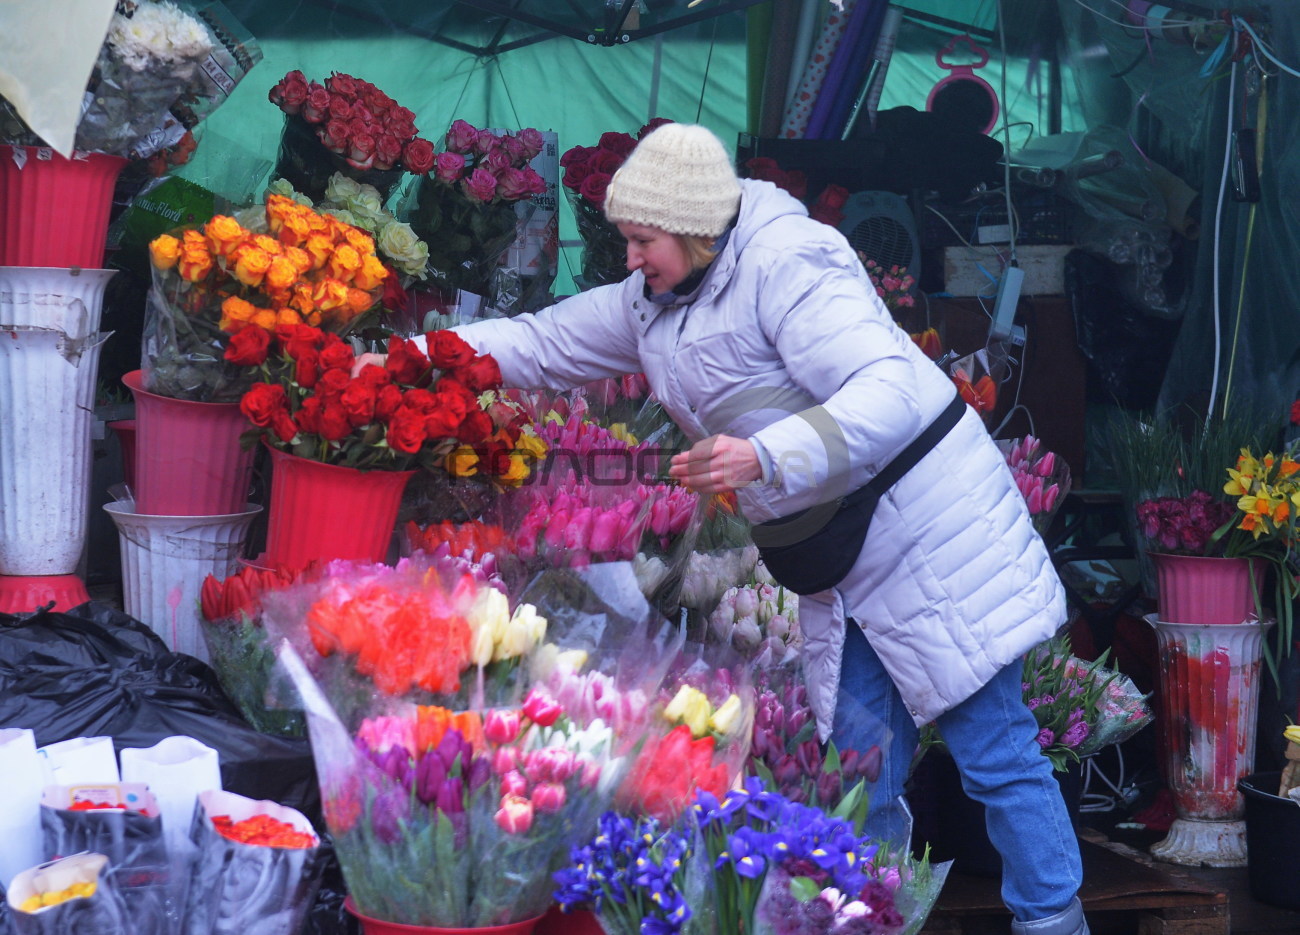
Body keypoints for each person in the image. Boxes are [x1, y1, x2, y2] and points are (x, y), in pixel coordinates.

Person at [391, 123, 1087, 935]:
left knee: (994, 752)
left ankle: (1053, 923)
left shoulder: (790, 263)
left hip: (931, 530)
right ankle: (869, 921)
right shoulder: (655, 302)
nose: (629, 259)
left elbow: (892, 389)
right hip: (849, 555)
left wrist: (762, 454)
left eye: (642, 240)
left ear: (692, 228)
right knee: (860, 769)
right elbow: (545, 342)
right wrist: (418, 357)